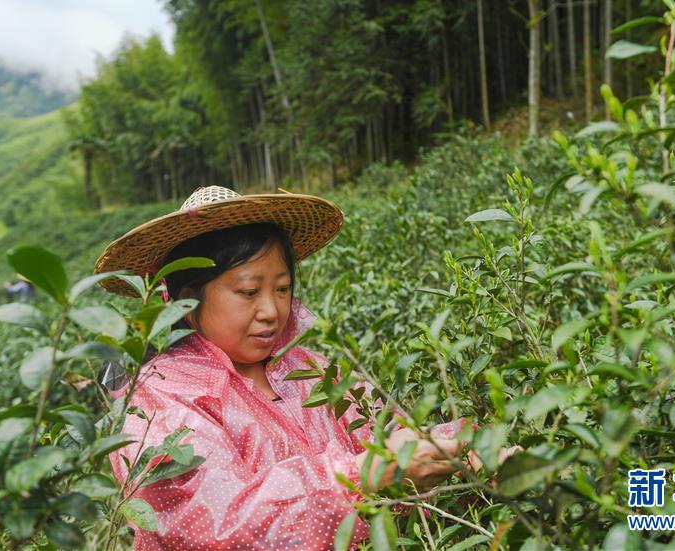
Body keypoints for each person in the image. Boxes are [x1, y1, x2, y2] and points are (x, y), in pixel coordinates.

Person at [94, 186, 484, 550]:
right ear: (186, 302)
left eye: (281, 289)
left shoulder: (310, 369)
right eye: (248, 292)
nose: (271, 310)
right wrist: (365, 474)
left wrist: (469, 448)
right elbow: (221, 523)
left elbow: (394, 432)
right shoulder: (160, 398)